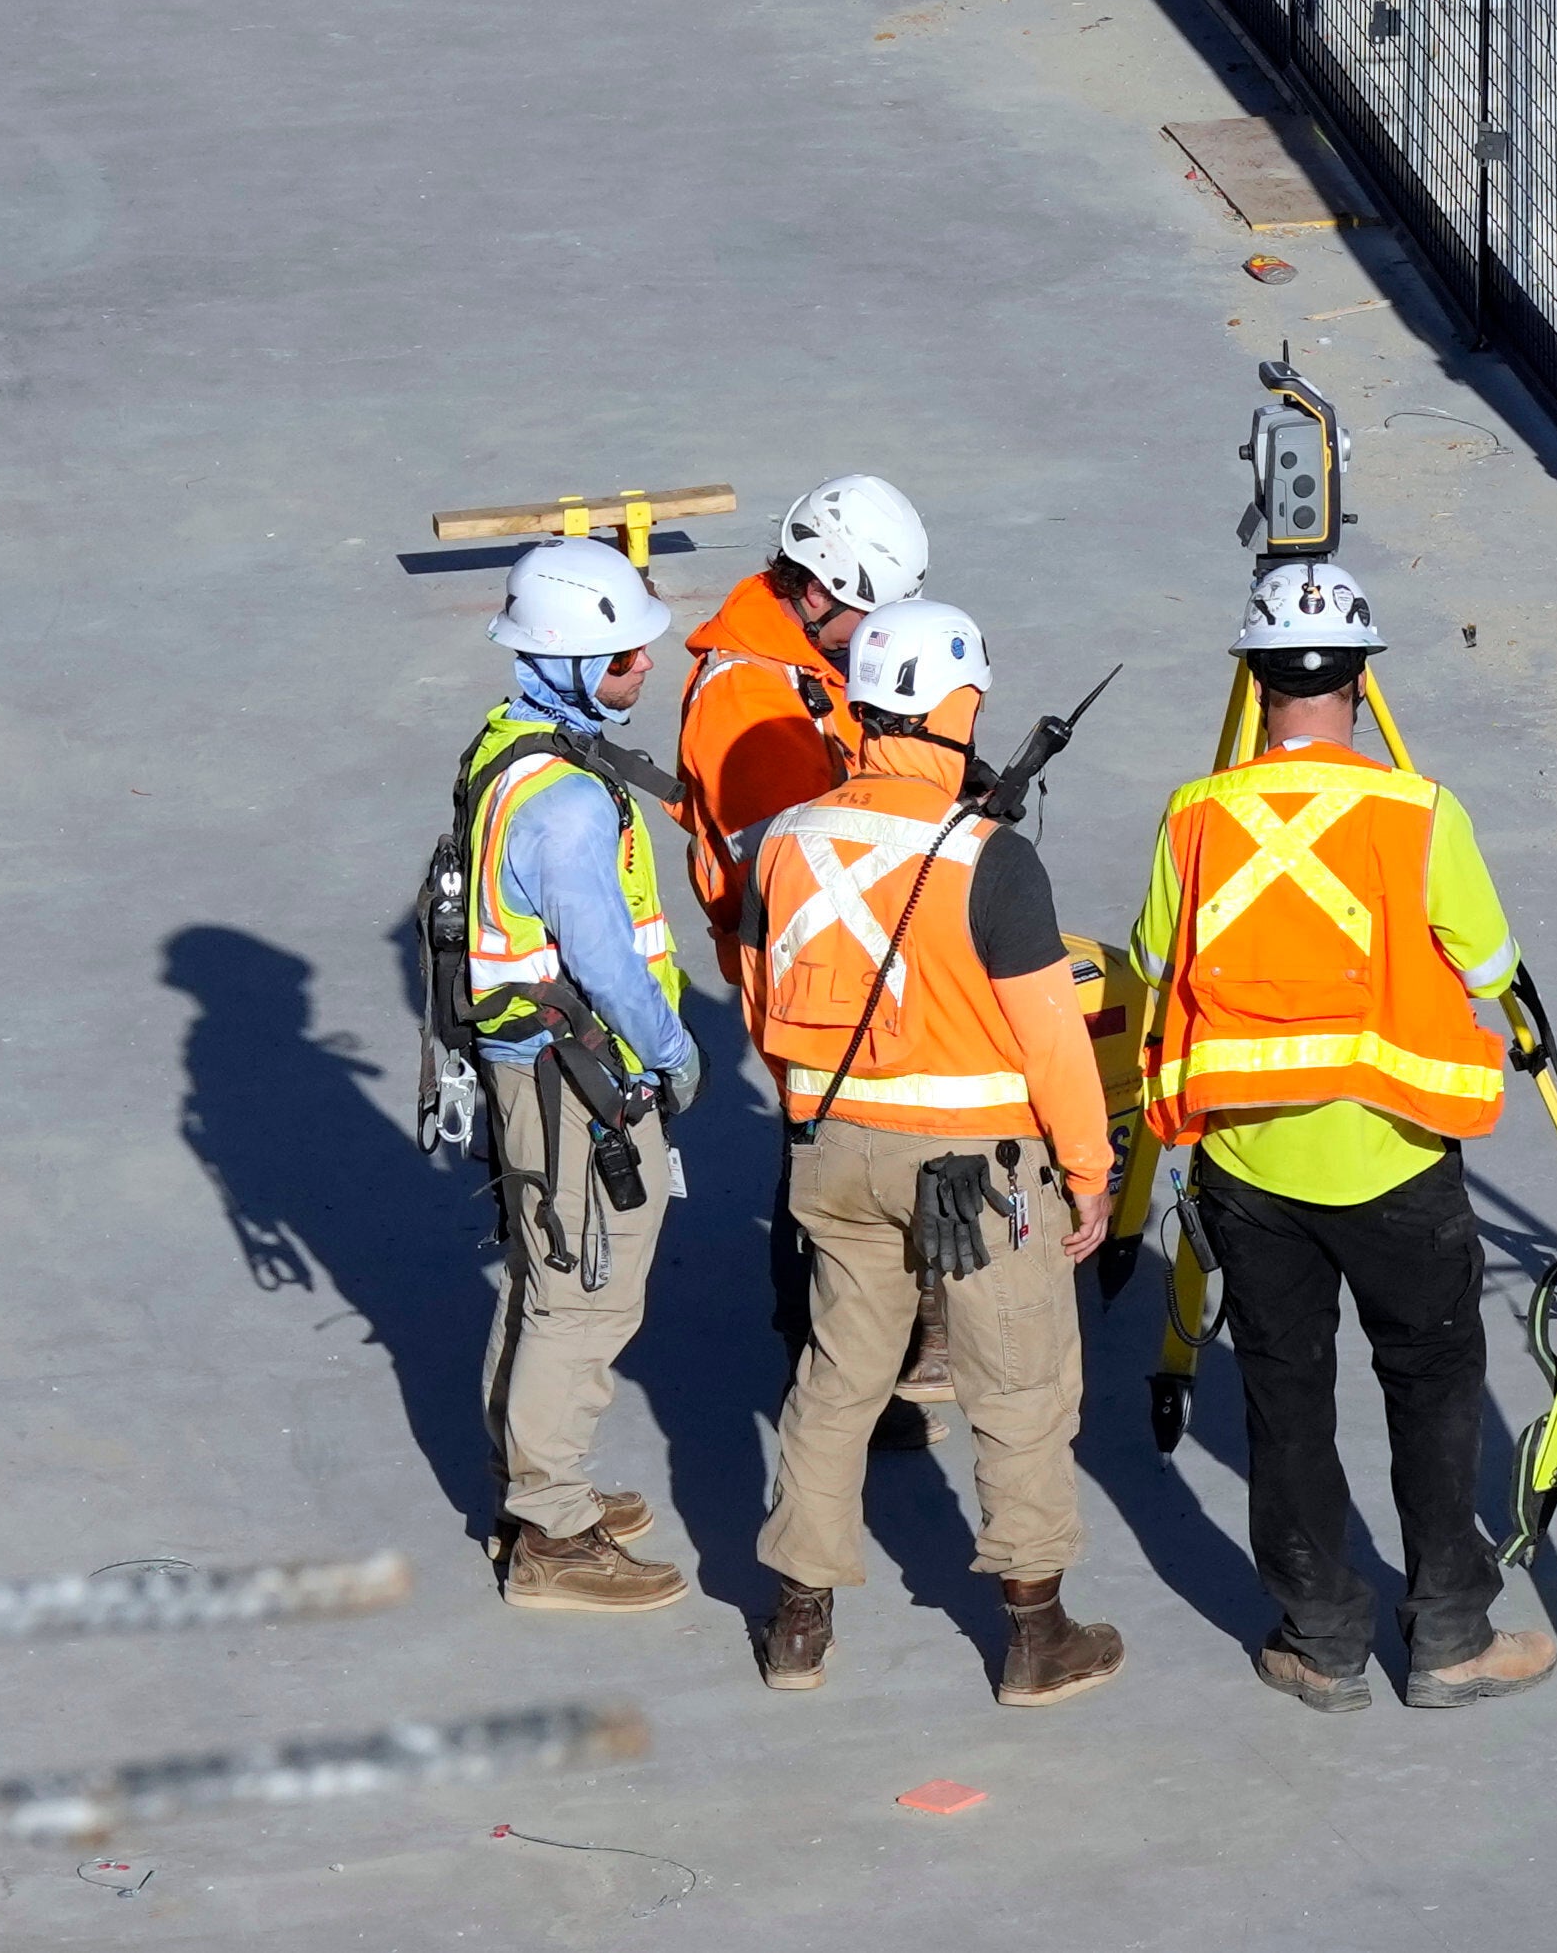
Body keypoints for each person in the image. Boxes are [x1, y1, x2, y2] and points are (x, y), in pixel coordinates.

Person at [1130, 561, 1549, 1712]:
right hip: (1397, 1156)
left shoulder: (1195, 814)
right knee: (1432, 1383)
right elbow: (1490, 966)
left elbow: (1156, 962)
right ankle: (1453, 1633)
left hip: (1252, 1169)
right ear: (1361, 678)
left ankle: (1321, 1641)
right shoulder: (1419, 810)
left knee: (1284, 1392)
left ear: (1255, 678)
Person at [738, 602, 1122, 1705]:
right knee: (1023, 1384)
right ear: (957, 705)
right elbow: (1053, 1038)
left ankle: (799, 1620)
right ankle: (1037, 1632)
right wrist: (1089, 1174)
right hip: (980, 1172)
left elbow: (765, 1007)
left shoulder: (786, 839)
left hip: (834, 1150)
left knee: (837, 1376)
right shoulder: (992, 858)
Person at [443, 539, 711, 1615]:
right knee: (585, 1294)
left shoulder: (510, 745)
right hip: (579, 1079)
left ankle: (533, 1485)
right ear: (562, 662)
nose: (644, 670)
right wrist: (677, 1055)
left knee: (543, 1273)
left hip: (533, 1071)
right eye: (621, 660)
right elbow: (606, 961)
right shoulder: (565, 802)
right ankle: (550, 1528)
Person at [676, 473, 922, 872]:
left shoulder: (818, 658)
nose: (879, 635)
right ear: (817, 593)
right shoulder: (746, 700)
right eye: (873, 616)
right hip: (802, 926)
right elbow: (795, 868)